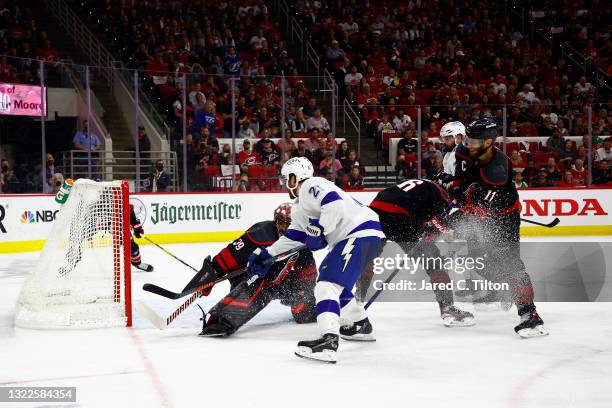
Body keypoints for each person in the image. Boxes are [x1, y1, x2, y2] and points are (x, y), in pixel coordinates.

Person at [248, 157, 385, 363]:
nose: (286, 183)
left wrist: (321, 229)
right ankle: (360, 325)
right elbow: (294, 237)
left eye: (288, 178)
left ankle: (328, 341)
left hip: (358, 234)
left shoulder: (312, 184)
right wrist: (267, 254)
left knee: (326, 286)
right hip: (362, 235)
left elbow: (333, 203)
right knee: (338, 288)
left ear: (296, 177)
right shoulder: (301, 206)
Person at [448, 118, 548, 338]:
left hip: (504, 219)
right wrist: (454, 187)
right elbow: (459, 179)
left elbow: (478, 206)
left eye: (474, 141)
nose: (468, 144)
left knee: (512, 265)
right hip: (481, 214)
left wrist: (460, 205)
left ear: (488, 142)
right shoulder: (464, 151)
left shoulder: (497, 170)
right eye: (468, 139)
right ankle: (505, 289)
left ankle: (529, 315)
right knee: (481, 264)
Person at [194, 203, 317, 336]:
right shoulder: (261, 233)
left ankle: (305, 310)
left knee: (305, 311)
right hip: (249, 278)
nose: (286, 229)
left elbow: (307, 272)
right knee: (260, 285)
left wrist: (305, 294)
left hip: (277, 282)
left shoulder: (300, 241)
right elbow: (231, 255)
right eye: (282, 223)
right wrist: (212, 273)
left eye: (290, 225)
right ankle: (222, 318)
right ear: (275, 221)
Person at [367, 178, 475, 326]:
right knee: (435, 262)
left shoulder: (424, 184)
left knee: (367, 257)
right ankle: (447, 308)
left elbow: (426, 221)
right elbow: (437, 224)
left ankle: (353, 303)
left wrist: (430, 232)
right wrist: (438, 234)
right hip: (400, 216)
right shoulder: (441, 195)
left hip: (374, 210)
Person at [129, 205, 153, 272]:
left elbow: (132, 218)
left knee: (133, 248)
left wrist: (137, 229)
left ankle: (137, 263)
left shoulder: (122, 202)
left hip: (121, 228)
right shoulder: (102, 203)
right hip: (108, 229)